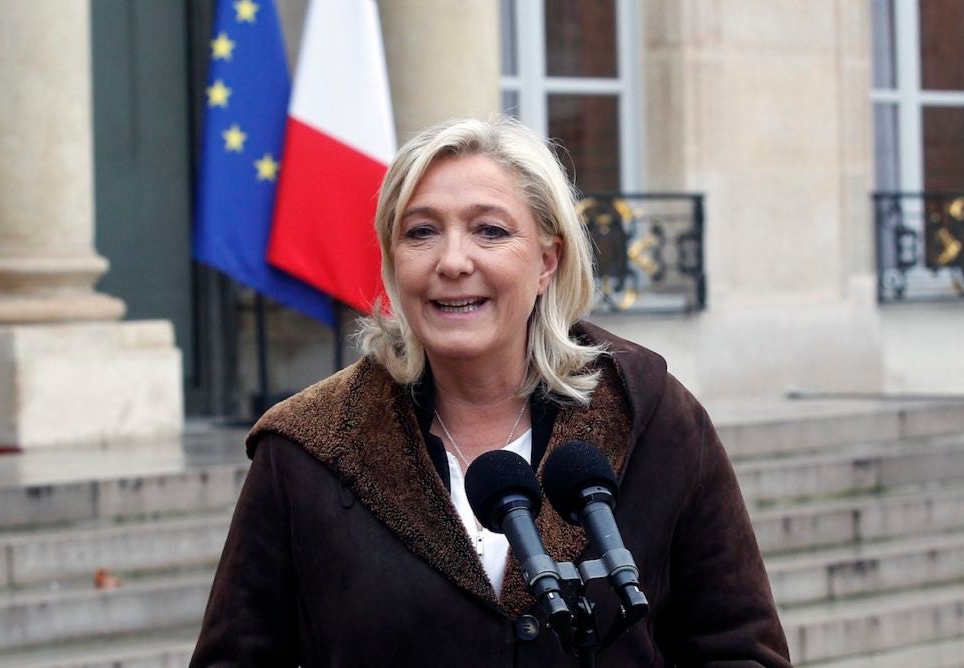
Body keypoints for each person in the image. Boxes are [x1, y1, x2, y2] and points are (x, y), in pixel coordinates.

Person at [191, 117, 791, 667]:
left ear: (547, 261)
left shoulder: (654, 415)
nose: (453, 261)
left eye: (490, 230)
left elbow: (739, 649)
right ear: (393, 262)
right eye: (421, 232)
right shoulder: (307, 447)